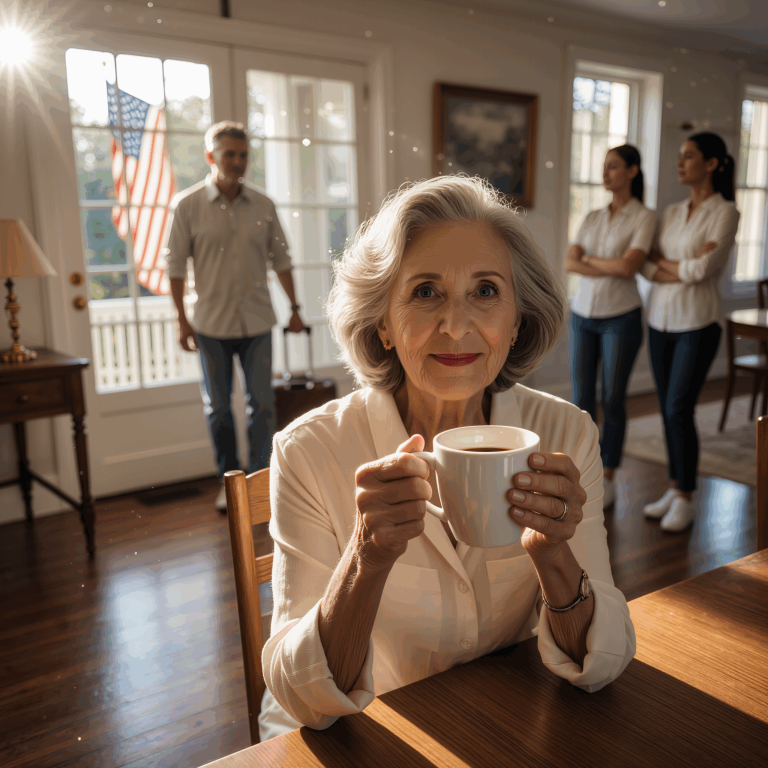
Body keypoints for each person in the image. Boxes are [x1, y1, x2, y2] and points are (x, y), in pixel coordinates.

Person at [257, 175, 636, 740]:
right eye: (425, 292)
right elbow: (301, 697)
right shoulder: (309, 451)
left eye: (485, 291)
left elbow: (604, 662)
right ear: (383, 323)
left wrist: (554, 555)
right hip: (360, 736)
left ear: (517, 321)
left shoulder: (565, 434)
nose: (456, 327)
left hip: (506, 722)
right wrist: (366, 556)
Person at [165, 121, 305, 511]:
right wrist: (181, 320)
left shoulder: (264, 205)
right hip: (209, 325)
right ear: (211, 156)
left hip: (258, 321)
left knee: (262, 404)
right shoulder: (188, 206)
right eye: (230, 154)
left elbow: (282, 261)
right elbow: (174, 267)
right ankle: (229, 485)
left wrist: (295, 309)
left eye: (243, 155)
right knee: (220, 408)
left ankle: (259, 483)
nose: (238, 162)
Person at [640, 133, 740, 532]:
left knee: (679, 409)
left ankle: (685, 497)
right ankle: (674, 486)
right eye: (680, 156)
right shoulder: (671, 212)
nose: (680, 163)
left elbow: (703, 270)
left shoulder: (726, 212)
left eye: (689, 156)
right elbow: (646, 265)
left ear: (712, 163)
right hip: (659, 321)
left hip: (697, 324)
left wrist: (668, 265)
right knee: (668, 410)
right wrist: (680, 267)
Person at [564, 145, 657, 509]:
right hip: (582, 315)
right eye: (604, 166)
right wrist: (605, 262)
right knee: (581, 400)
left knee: (613, 399)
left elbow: (628, 267)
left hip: (621, 316)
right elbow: (570, 263)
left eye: (614, 166)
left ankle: (609, 474)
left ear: (632, 171)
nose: (605, 173)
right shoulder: (591, 217)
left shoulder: (644, 217)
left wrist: (589, 259)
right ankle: (584, 471)